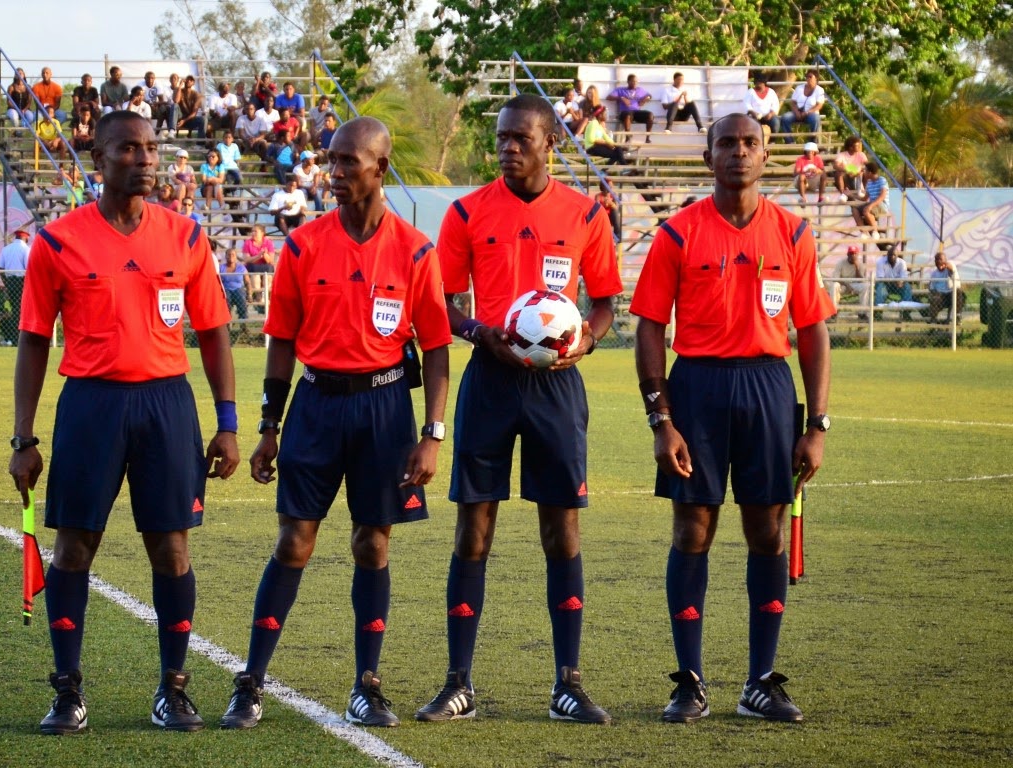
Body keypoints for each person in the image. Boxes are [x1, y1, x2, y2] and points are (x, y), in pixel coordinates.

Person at [8, 110, 240, 736]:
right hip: (91, 405)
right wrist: (24, 438)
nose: (144, 160)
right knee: (74, 547)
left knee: (171, 547)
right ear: (98, 156)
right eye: (129, 150)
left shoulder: (187, 237)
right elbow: (32, 342)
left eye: (150, 149)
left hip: (167, 405)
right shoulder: (58, 241)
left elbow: (215, 334)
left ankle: (173, 688)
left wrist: (227, 422)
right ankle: (67, 690)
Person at [220, 116, 452, 731]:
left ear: (380, 167)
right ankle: (251, 681)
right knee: (294, 541)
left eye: (350, 161)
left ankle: (366, 684)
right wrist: (269, 427)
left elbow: (435, 348)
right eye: (332, 160)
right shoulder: (302, 245)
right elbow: (281, 343)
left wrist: (432, 435)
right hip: (316, 405)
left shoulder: (415, 250)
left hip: (384, 411)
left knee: (372, 543)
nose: (337, 172)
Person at [416, 93, 620, 726]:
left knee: (561, 531)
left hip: (558, 387)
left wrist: (584, 338)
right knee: (473, 529)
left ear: (550, 143)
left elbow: (607, 304)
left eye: (521, 139)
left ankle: (568, 683)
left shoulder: (587, 213)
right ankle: (458, 683)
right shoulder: (468, 212)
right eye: (502, 138)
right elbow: (443, 306)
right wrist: (482, 334)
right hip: (490, 380)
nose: (508, 148)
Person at [629, 112, 834, 725]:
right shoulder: (677, 234)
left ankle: (760, 681)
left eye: (750, 143)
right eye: (727, 143)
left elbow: (814, 331)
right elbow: (648, 329)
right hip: (696, 387)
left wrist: (817, 425)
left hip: (769, 389)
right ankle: (689, 681)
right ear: (708, 157)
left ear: (766, 155)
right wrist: (660, 420)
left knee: (767, 530)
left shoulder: (794, 234)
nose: (738, 152)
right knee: (693, 528)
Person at [0, 228, 32, 345]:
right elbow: (29, 269)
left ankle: (12, 337)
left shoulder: (6, 249)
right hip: (21, 282)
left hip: (10, 282)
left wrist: (6, 283)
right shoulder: (26, 249)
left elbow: (0, 269)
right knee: (22, 311)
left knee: (14, 310)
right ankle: (19, 338)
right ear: (25, 237)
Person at [780, 69, 824, 144]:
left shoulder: (819, 90)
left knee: (816, 118)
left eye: (810, 77)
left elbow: (819, 105)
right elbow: (793, 102)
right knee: (785, 117)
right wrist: (796, 112)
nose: (808, 78)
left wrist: (807, 112)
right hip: (798, 112)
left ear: (816, 78)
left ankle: (812, 140)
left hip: (810, 113)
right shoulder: (799, 88)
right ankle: (790, 141)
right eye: (807, 76)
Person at [607, 74, 654, 138]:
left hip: (636, 112)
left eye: (636, 81)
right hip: (625, 112)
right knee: (628, 115)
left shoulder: (640, 90)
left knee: (650, 115)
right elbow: (609, 97)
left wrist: (645, 99)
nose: (635, 83)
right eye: (633, 81)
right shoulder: (620, 90)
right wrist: (621, 98)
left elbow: (650, 96)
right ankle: (628, 137)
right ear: (628, 82)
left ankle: (648, 137)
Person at [853, 162, 889, 242]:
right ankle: (864, 232)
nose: (864, 173)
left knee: (867, 209)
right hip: (872, 204)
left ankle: (875, 231)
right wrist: (850, 195)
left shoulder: (882, 180)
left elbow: (882, 196)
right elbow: (864, 198)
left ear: (869, 172)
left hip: (882, 205)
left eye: (865, 171)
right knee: (855, 209)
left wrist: (871, 205)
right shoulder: (869, 183)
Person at [927, 251, 964, 323]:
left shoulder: (950, 267)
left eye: (940, 260)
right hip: (941, 296)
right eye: (937, 261)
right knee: (934, 298)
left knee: (958, 292)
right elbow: (931, 288)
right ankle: (933, 321)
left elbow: (951, 269)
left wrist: (945, 264)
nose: (939, 262)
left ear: (945, 260)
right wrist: (934, 293)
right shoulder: (934, 274)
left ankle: (958, 316)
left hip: (951, 294)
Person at [744, 74, 781, 141]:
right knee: (750, 124)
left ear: (764, 83)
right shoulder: (750, 92)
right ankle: (753, 141)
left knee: (776, 122)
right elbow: (746, 104)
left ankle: (772, 141)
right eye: (756, 82)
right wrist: (753, 112)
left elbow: (775, 104)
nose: (757, 84)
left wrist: (771, 113)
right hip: (754, 116)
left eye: (759, 82)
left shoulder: (771, 92)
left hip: (768, 116)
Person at [219, 247, 248, 324]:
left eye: (233, 254)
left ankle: (243, 326)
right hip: (226, 289)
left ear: (236, 257)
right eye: (229, 254)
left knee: (242, 302)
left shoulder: (241, 267)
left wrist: (250, 294)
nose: (231, 256)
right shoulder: (221, 268)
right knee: (226, 302)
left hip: (238, 289)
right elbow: (218, 282)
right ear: (226, 256)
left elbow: (247, 282)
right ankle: (227, 324)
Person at [833, 137, 868, 202]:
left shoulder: (861, 154)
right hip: (846, 177)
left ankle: (863, 191)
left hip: (858, 175)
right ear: (850, 147)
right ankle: (843, 193)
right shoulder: (842, 155)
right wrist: (846, 170)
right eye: (857, 146)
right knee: (838, 173)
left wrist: (860, 170)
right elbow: (835, 166)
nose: (859, 147)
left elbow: (868, 165)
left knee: (865, 172)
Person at [793, 142, 825, 206]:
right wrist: (806, 171)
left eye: (812, 151)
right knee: (802, 176)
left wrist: (818, 170)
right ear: (806, 152)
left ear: (814, 152)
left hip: (813, 180)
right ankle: (803, 199)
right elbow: (796, 172)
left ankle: (820, 198)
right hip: (801, 180)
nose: (810, 153)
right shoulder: (800, 159)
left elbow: (822, 170)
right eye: (809, 151)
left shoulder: (818, 159)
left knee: (824, 175)